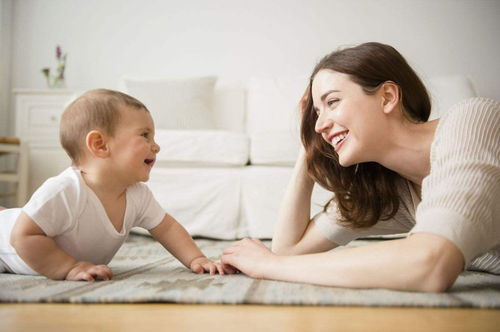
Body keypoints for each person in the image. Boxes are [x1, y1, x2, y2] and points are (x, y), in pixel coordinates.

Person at [221, 42, 500, 292]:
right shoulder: (392, 189)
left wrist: (268, 267)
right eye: (316, 113)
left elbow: (431, 263)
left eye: (332, 102)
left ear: (388, 96)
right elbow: (289, 250)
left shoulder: (474, 120)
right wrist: (307, 150)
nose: (319, 125)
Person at [0, 89, 227, 281]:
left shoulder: (138, 195)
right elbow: (22, 237)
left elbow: (167, 228)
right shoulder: (66, 191)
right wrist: (70, 267)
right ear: (100, 145)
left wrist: (196, 258)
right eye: (145, 135)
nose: (156, 146)